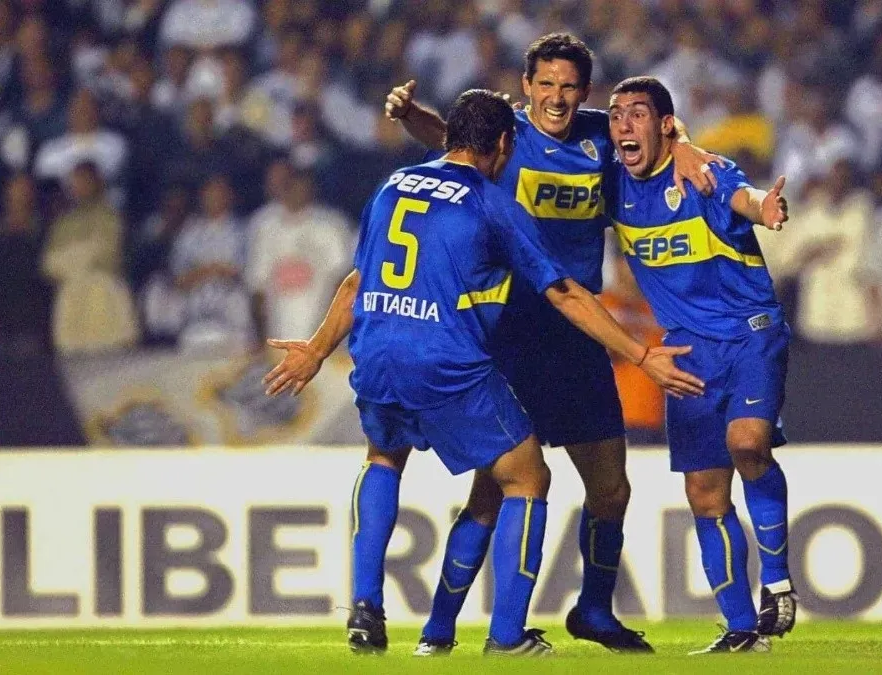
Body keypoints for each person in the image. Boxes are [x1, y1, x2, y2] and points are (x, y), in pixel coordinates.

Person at [261, 90, 702, 657]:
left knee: (382, 458)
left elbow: (355, 282)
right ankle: (508, 637)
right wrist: (640, 355)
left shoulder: (394, 186)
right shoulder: (488, 202)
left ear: (448, 139)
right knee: (526, 477)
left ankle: (367, 607)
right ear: (502, 144)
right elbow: (564, 291)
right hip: (443, 360)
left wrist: (318, 349)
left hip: (375, 349)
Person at [384, 33, 720, 654]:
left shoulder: (601, 136)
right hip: (511, 330)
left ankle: (593, 610)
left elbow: (657, 138)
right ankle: (438, 629)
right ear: (526, 86)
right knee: (494, 490)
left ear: (583, 91)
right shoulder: (506, 135)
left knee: (611, 487)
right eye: (546, 85)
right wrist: (411, 116)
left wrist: (690, 149)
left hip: (577, 329)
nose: (556, 99)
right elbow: (448, 144)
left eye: (568, 87)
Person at [603, 76, 796, 654]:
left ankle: (779, 582)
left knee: (746, 442)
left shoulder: (701, 169)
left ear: (665, 124)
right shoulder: (612, 185)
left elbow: (744, 197)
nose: (623, 127)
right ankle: (742, 631)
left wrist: (764, 208)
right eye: (616, 117)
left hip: (749, 333)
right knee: (704, 495)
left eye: (638, 114)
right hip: (686, 349)